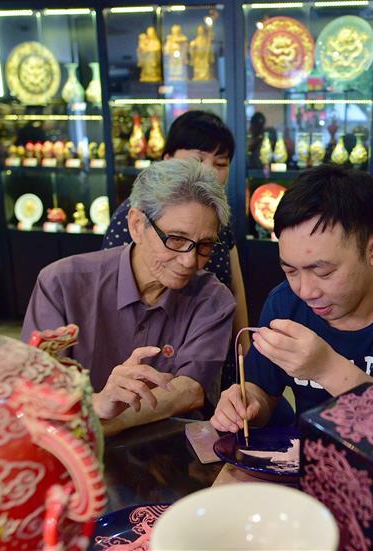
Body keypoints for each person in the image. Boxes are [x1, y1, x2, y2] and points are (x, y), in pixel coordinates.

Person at [210, 166, 373, 433]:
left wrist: (326, 368)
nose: (306, 291)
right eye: (290, 271)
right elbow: (262, 392)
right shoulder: (285, 303)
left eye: (323, 272)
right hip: (310, 456)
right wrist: (246, 405)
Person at [22, 159, 236, 436]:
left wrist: (107, 423)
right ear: (136, 225)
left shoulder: (213, 299)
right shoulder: (61, 283)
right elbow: (37, 387)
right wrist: (97, 403)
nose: (189, 261)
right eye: (176, 239)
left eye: (205, 245)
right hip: (72, 443)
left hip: (169, 447)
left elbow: (190, 390)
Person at [104, 111, 249, 388]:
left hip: (213, 340)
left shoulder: (218, 215)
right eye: (198, 160)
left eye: (220, 163)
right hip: (160, 354)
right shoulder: (139, 216)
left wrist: (245, 349)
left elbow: (236, 287)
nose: (209, 171)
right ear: (167, 158)